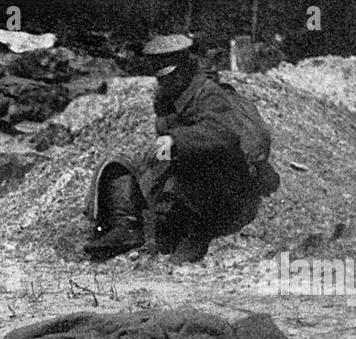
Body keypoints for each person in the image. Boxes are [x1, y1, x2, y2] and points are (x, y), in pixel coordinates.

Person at [84, 35, 280, 264]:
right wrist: (153, 169)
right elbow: (167, 142)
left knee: (194, 164)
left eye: (169, 75)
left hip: (223, 180)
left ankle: (197, 232)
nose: (163, 82)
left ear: (184, 69)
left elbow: (223, 136)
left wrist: (174, 140)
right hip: (184, 176)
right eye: (160, 77)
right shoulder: (167, 96)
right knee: (118, 166)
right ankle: (127, 228)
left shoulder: (208, 93)